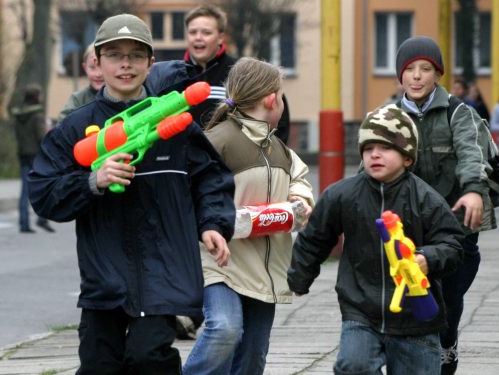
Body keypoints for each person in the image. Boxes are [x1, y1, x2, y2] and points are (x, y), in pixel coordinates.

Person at [28, 14, 236, 373]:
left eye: (136, 55)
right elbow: (43, 192)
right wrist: (92, 181)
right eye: (114, 55)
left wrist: (212, 223)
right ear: (98, 62)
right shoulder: (76, 127)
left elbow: (211, 179)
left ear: (150, 63)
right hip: (104, 280)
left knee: (148, 358)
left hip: (164, 275)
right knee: (98, 365)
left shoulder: (174, 123)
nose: (126, 64)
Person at [287, 104, 463, 374]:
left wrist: (427, 258)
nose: (375, 154)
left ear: (407, 158)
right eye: (368, 148)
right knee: (353, 366)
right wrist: (299, 278)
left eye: (385, 148)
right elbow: (315, 238)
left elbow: (452, 245)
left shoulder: (426, 199)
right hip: (361, 311)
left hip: (416, 317)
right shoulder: (342, 195)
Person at [183, 57, 314, 375]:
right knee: (225, 330)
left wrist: (300, 200)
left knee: (252, 358)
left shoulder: (278, 148)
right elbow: (192, 193)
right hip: (220, 264)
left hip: (263, 270)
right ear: (271, 99)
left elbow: (299, 178)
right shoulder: (218, 141)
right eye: (281, 95)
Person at [392, 36, 497, 374]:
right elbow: (370, 165)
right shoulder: (389, 117)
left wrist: (474, 191)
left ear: (438, 74)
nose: (417, 76)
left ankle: (447, 343)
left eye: (425, 69)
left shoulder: (458, 113)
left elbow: (471, 155)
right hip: (410, 223)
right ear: (400, 75)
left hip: (455, 220)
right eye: (410, 69)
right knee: (409, 297)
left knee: (449, 296)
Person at [146, 4, 291, 144]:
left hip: (231, 158)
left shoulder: (242, 73)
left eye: (206, 32)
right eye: (192, 32)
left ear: (221, 37)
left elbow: (277, 116)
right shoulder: (171, 76)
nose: (198, 37)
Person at [10, 84, 54, 233]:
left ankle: (24, 223)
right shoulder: (37, 116)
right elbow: (41, 137)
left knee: (25, 190)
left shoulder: (18, 115)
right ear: (36, 97)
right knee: (45, 186)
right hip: (37, 156)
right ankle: (42, 218)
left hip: (23, 154)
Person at [57, 44, 105, 123]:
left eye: (102, 67)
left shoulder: (120, 95)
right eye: (92, 68)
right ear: (85, 67)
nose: (98, 74)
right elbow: (62, 125)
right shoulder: (78, 99)